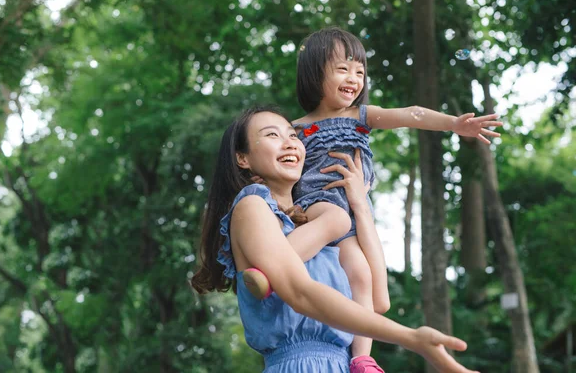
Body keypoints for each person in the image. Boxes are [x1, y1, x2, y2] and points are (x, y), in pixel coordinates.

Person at [243, 27, 503, 371]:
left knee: (362, 278)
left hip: (350, 215)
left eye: (360, 71)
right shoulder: (297, 129)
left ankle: (362, 358)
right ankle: (273, 273)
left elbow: (411, 114)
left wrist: (454, 124)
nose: (354, 78)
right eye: (342, 68)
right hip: (317, 203)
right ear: (314, 73)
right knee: (334, 219)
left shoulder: (360, 116)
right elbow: (275, 162)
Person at [191, 106, 480, 373]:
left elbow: (378, 301)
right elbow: (300, 292)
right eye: (272, 136)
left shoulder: (314, 228)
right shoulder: (252, 205)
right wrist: (409, 337)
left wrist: (359, 206)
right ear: (243, 158)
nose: (290, 142)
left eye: (293, 135)